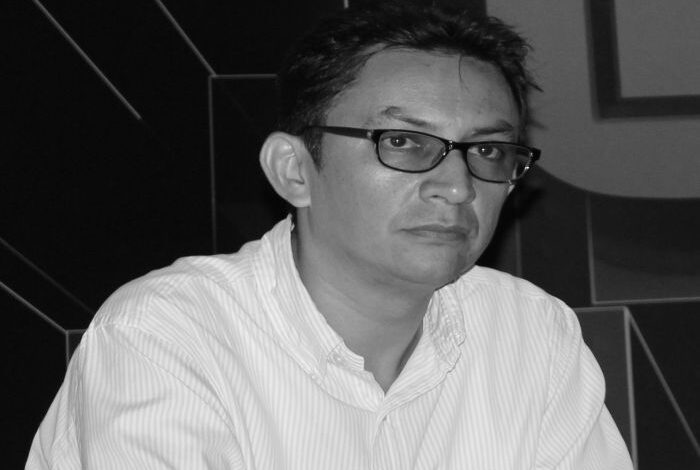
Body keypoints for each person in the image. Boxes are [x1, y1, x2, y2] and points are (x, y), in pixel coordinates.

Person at [27, 2, 633, 469]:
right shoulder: (167, 335)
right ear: (294, 170)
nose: (457, 186)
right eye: (403, 142)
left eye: (489, 151)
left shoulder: (531, 332)